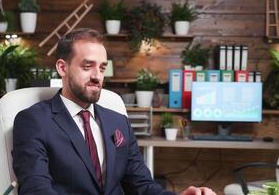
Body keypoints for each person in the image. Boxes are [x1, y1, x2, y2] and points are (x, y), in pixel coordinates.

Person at [13, 28, 216, 195]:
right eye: (87, 66)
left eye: (102, 68)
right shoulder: (34, 121)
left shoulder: (118, 122)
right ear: (62, 68)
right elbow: (36, 190)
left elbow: (142, 186)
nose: (97, 76)